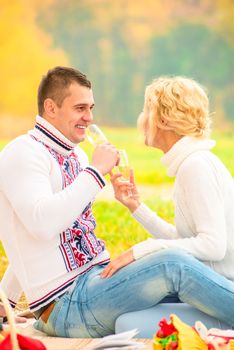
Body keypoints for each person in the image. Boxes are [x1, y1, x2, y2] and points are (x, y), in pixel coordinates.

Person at [0, 70, 233, 339]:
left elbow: (38, 239)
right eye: (80, 108)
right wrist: (95, 172)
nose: (89, 117)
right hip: (70, 302)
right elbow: (40, 227)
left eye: (90, 108)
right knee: (172, 263)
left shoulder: (75, 154)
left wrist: (6, 299)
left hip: (96, 283)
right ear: (50, 108)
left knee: (172, 276)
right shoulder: (22, 153)